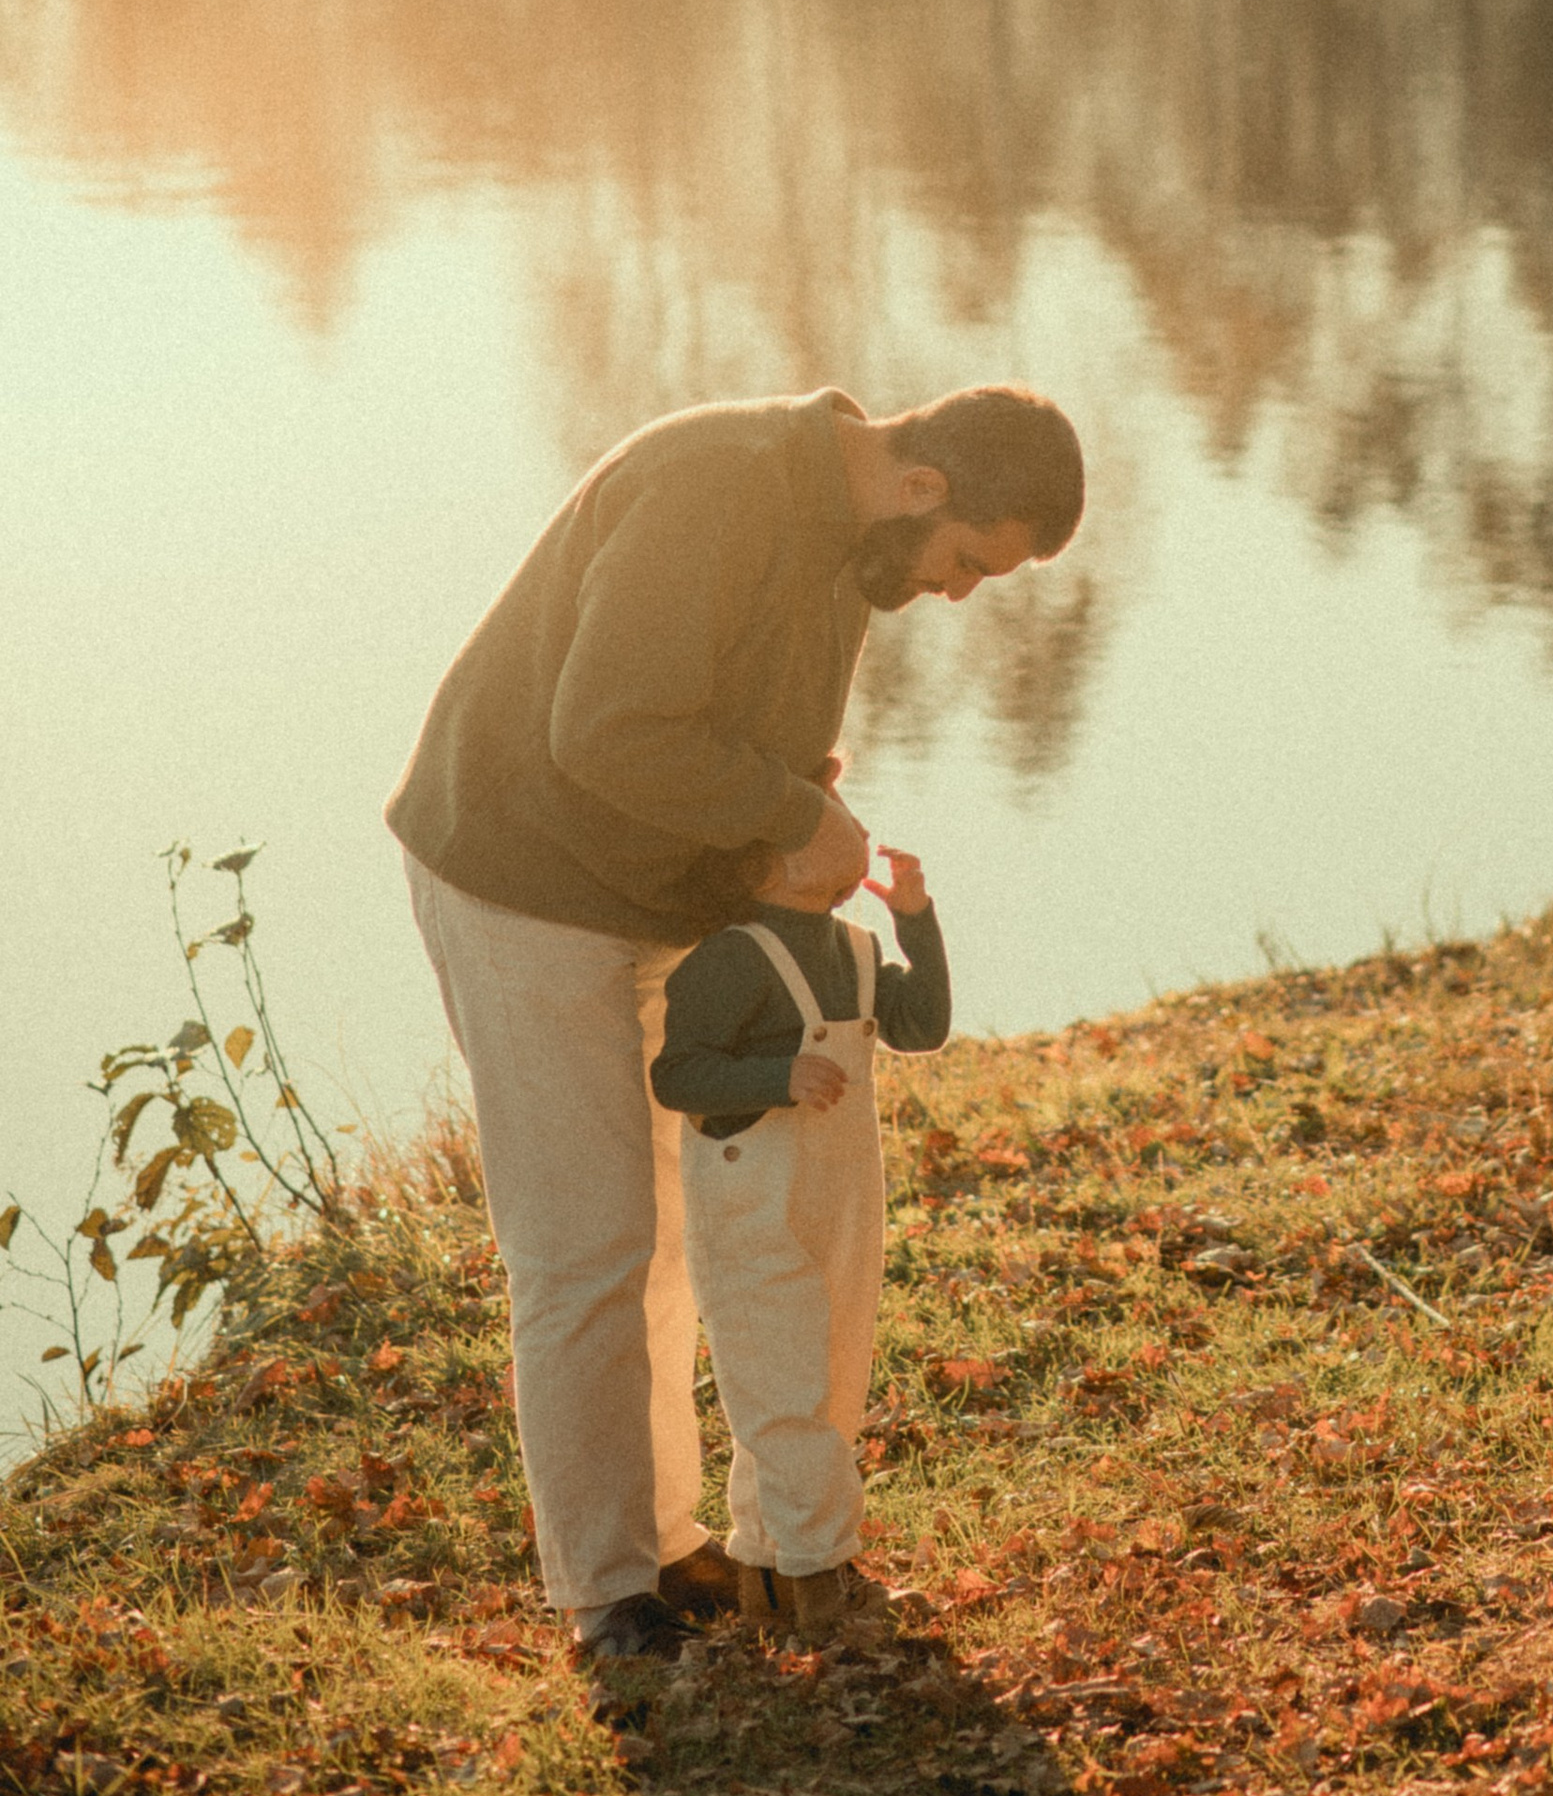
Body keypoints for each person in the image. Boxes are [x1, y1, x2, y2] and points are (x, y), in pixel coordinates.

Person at [387, 381, 1082, 1674]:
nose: (958, 594)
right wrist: (778, 808)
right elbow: (606, 729)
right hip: (519, 877)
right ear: (925, 486)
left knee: (667, 1226)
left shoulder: (856, 543)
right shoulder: (717, 487)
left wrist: (792, 806)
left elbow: (749, 732)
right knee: (585, 1242)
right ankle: (606, 1594)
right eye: (970, 566)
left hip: (655, 884)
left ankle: (666, 1543)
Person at [651, 840, 949, 1639]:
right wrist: (776, 1078)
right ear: (771, 866)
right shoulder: (729, 960)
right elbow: (677, 1076)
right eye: (830, 817)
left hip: (841, 1191)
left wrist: (917, 922)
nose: (853, 826)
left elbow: (922, 1027)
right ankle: (822, 1581)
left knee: (832, 1376)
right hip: (752, 1199)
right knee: (778, 1388)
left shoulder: (854, 946)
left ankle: (768, 1573)